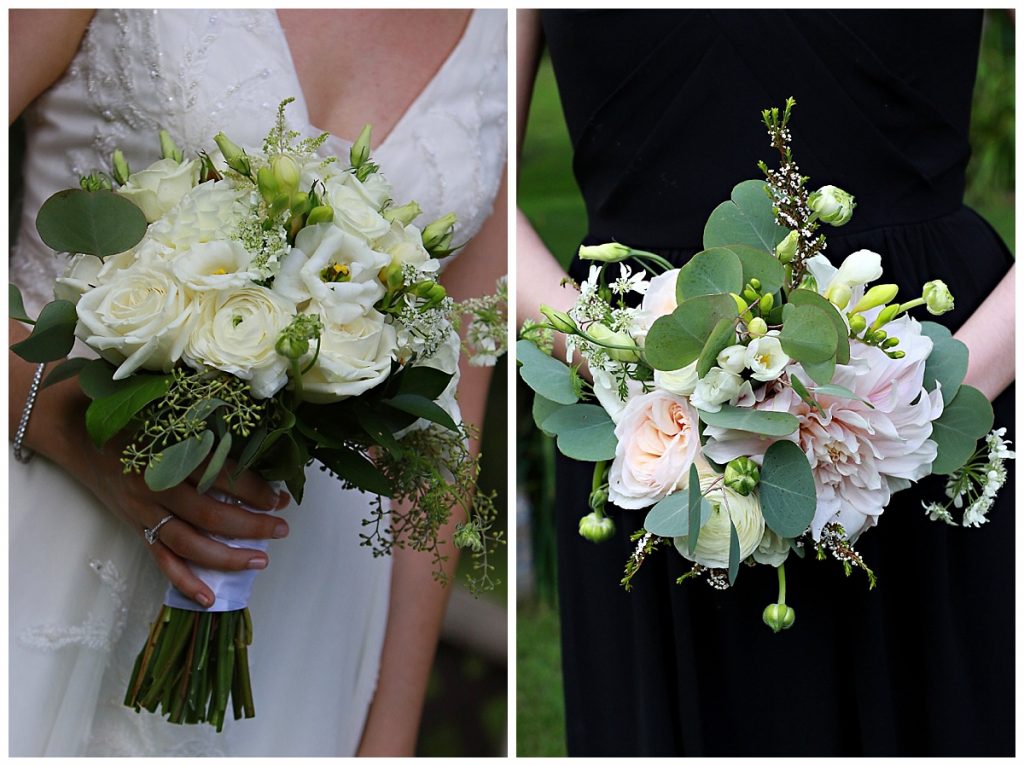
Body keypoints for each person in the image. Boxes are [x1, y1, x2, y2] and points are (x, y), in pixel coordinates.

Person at [9, 8, 507, 756]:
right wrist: (52, 411)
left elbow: (452, 391)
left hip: (309, 615)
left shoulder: (514, 21)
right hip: (46, 527)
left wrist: (390, 730)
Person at [517, 9, 1014, 757]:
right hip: (646, 413)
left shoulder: (919, 401)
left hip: (929, 385)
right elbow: (474, 185)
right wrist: (625, 361)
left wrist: (910, 406)